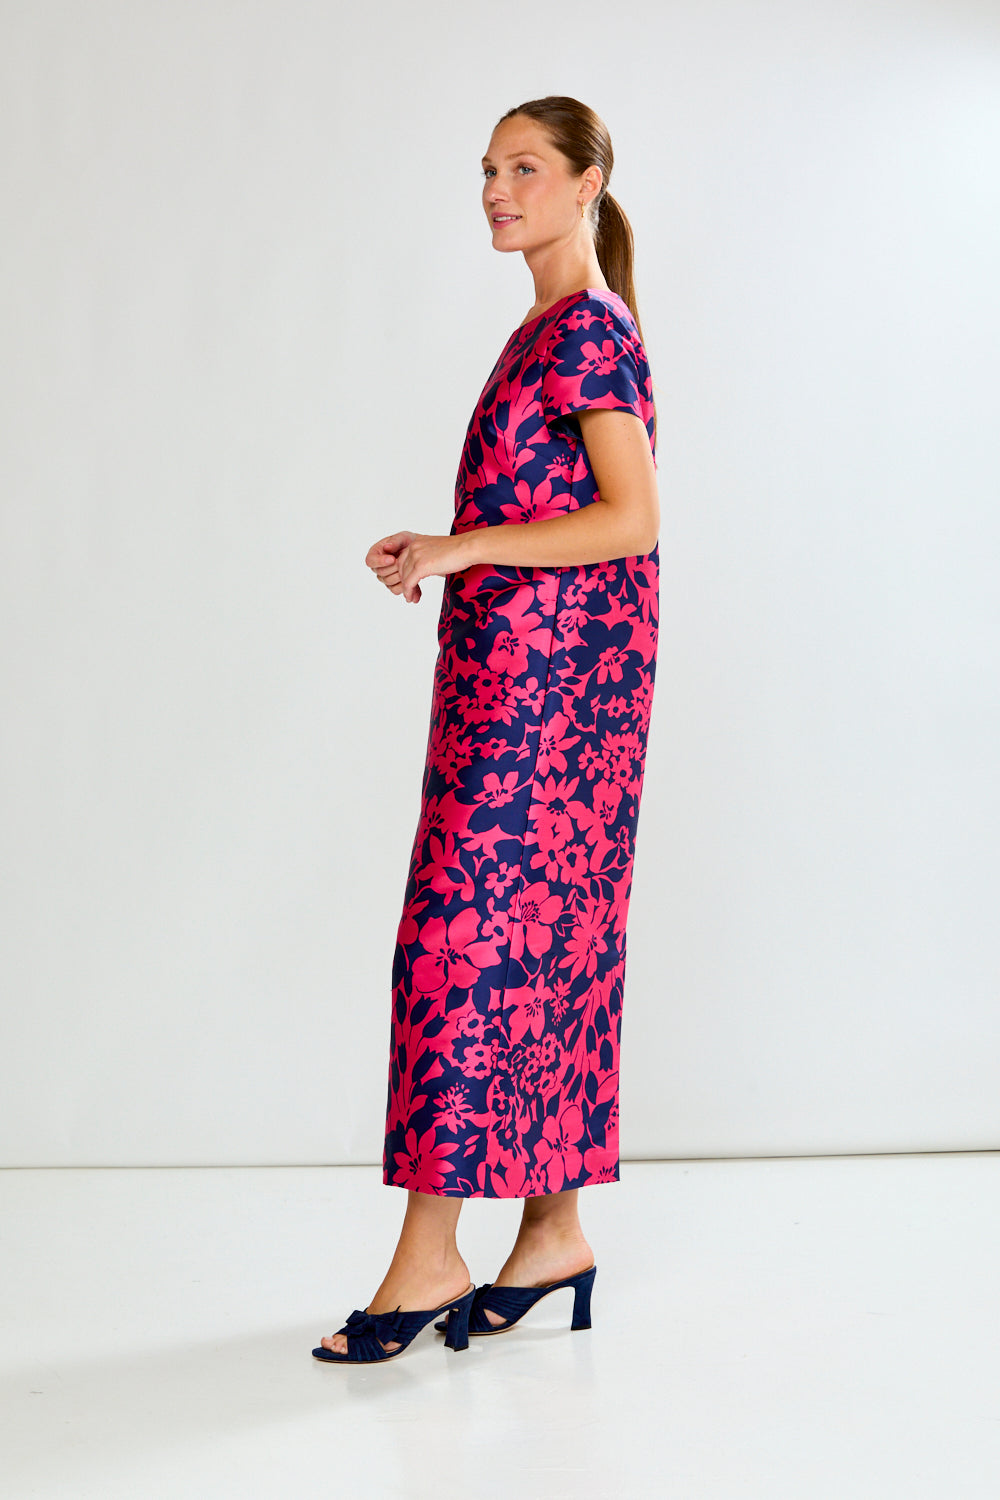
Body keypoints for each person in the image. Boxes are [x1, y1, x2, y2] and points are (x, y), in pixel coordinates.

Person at [314, 95, 660, 1364]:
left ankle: (425, 1258)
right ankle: (553, 1230)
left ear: (587, 181)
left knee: (463, 952)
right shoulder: (547, 329)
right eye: (487, 169)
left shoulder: (586, 338)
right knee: (543, 949)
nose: (496, 189)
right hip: (521, 683)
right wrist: (452, 549)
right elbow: (561, 509)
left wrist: (465, 548)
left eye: (524, 167)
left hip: (555, 701)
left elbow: (633, 520)